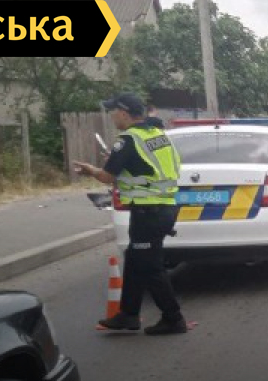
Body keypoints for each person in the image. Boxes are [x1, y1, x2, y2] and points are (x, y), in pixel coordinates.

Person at [73, 93, 187, 335]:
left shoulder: (128, 140)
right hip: (162, 207)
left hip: (149, 212)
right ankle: (128, 315)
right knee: (135, 260)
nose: (111, 116)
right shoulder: (158, 135)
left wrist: (91, 170)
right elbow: (154, 168)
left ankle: (174, 319)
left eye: (112, 111)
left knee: (151, 267)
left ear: (124, 113)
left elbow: (107, 177)